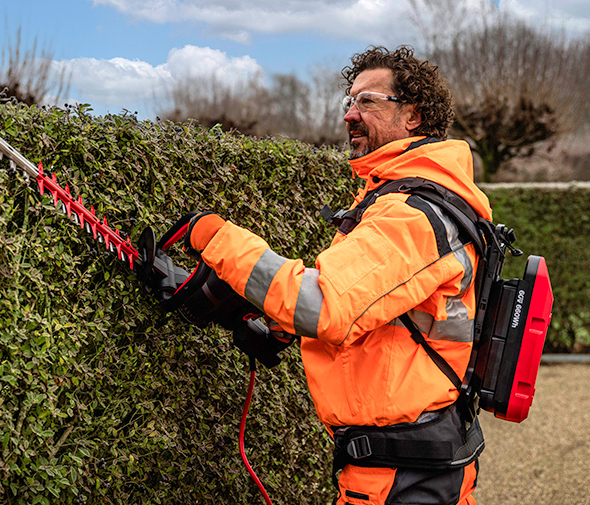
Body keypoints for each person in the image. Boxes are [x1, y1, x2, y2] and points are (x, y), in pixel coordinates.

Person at [184, 45, 489, 505]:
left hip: (401, 474)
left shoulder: (410, 213)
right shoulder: (420, 200)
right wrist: (279, 328)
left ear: (413, 116)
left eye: (368, 101)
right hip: (417, 462)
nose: (350, 114)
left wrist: (214, 237)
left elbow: (325, 304)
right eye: (350, 101)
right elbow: (385, 307)